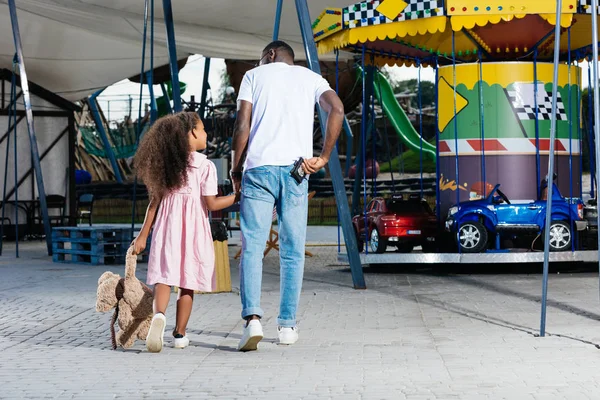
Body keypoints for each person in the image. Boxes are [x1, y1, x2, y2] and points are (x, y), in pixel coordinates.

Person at [230, 40, 345, 351]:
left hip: (260, 170)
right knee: (292, 250)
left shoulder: (255, 76)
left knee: (252, 246)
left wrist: (235, 168)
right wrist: (323, 157)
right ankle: (287, 325)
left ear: (269, 54)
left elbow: (243, 124)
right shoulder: (311, 78)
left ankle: (252, 319)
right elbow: (337, 108)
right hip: (297, 171)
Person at [132, 111, 239, 353]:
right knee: (187, 283)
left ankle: (159, 315)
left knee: (164, 276)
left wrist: (142, 236)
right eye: (202, 129)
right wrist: (236, 197)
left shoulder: (166, 163)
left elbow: (154, 203)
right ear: (191, 133)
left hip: (166, 227)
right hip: (194, 229)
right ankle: (180, 334)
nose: (206, 133)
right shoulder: (205, 165)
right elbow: (211, 204)